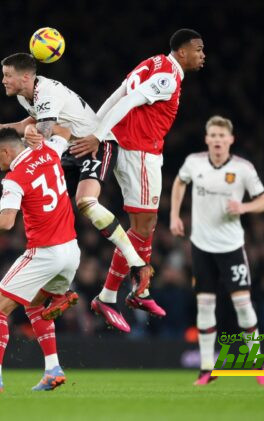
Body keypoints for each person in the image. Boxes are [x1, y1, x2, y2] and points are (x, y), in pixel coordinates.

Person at [0, 53, 153, 301]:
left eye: (7, 75)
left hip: (95, 144)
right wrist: (0, 130)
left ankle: (137, 264)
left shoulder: (46, 91)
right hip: (70, 147)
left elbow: (43, 132)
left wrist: (10, 142)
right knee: (45, 201)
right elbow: (32, 122)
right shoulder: (27, 96)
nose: (3, 80)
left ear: (25, 77)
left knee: (85, 202)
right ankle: (60, 288)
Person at [71, 28, 206, 332]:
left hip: (130, 147)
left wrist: (97, 128)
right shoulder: (168, 75)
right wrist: (96, 134)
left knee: (141, 228)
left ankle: (129, 293)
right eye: (198, 49)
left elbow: (117, 94)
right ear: (182, 52)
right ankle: (122, 295)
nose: (202, 55)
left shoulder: (151, 62)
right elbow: (128, 101)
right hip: (140, 153)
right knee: (144, 227)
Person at [0, 128, 80, 392]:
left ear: (6, 151)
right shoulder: (48, 150)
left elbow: (5, 221)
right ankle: (53, 370)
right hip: (71, 251)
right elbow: (65, 129)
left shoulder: (14, 179)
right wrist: (33, 130)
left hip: (44, 253)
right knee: (36, 306)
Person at [169, 115, 264, 386]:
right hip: (201, 246)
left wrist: (244, 207)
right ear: (206, 139)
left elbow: (263, 201)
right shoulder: (194, 162)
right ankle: (205, 369)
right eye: (212, 135)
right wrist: (174, 215)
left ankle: (257, 363)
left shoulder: (242, 169)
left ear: (230, 140)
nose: (216, 140)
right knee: (204, 306)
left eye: (221, 136)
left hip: (231, 247)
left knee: (243, 304)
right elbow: (179, 183)